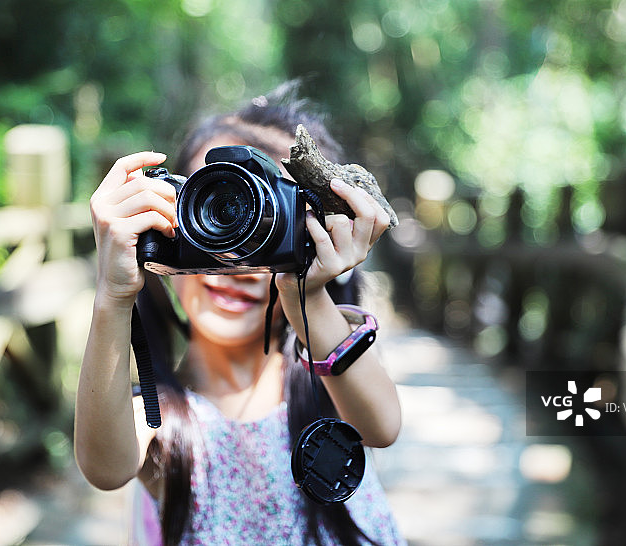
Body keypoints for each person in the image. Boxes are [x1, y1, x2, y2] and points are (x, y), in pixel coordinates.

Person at [73, 84, 405, 545]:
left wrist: (306, 293)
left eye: (261, 221)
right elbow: (106, 468)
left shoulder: (323, 379)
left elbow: (382, 426)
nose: (235, 263)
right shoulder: (159, 417)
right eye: (213, 210)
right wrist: (113, 295)